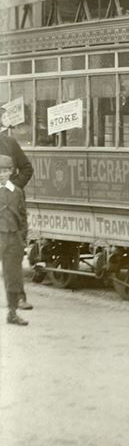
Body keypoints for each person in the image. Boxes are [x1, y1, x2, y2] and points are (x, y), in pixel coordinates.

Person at [0, 104, 33, 311]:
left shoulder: (9, 143)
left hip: (9, 213)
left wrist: (12, 189)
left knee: (13, 263)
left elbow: (27, 168)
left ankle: (19, 298)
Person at [0, 155, 28, 326]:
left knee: (13, 277)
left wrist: (22, 238)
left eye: (4, 171)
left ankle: (12, 313)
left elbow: (23, 217)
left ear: (11, 172)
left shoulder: (16, 192)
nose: (1, 174)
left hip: (13, 238)